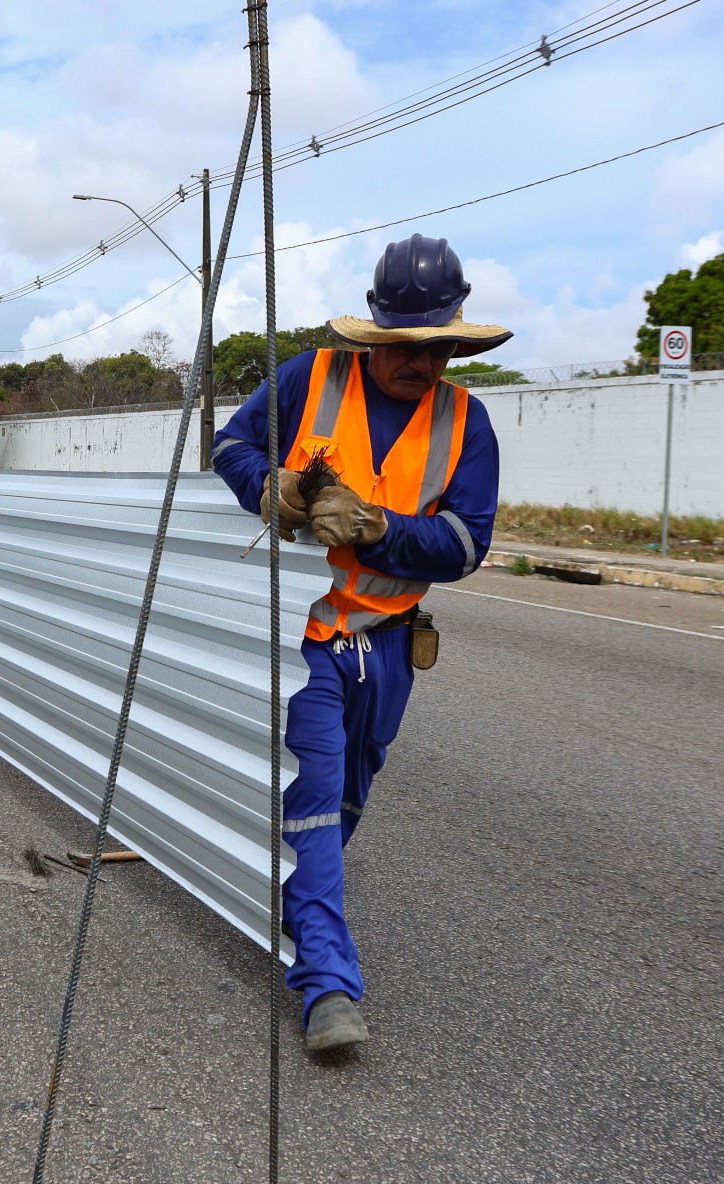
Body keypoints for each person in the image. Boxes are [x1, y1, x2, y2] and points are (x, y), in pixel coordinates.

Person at [210, 233, 508, 1054]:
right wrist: (268, 487)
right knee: (312, 788)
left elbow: (462, 545)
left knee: (346, 801)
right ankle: (327, 986)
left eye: (440, 345)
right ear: (374, 334)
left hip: (385, 641)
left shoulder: (465, 422)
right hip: (306, 633)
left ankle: (297, 896)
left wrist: (377, 528)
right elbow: (231, 446)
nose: (425, 361)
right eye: (408, 347)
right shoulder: (309, 379)